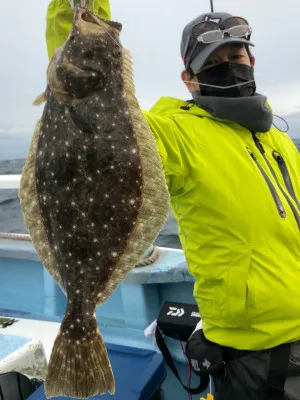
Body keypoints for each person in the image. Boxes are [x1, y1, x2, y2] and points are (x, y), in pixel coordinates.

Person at [45, 2, 300, 399]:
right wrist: (79, 16)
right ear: (189, 78)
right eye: (213, 62)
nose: (230, 65)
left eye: (235, 55)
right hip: (253, 352)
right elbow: (90, 114)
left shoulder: (279, 140)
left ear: (252, 59)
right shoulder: (173, 133)